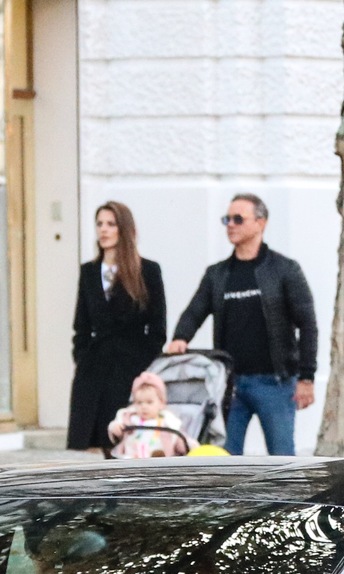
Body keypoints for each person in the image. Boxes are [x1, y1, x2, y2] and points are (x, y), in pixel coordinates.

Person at [165, 194, 318, 456]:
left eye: (238, 219)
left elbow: (308, 325)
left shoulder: (285, 269)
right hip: (228, 385)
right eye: (227, 219)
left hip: (276, 383)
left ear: (261, 223)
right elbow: (195, 311)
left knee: (282, 460)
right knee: (225, 458)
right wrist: (180, 337)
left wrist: (306, 377)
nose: (230, 225)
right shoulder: (218, 274)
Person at [67, 202, 168, 452]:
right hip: (93, 369)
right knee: (98, 442)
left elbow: (158, 328)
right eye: (99, 224)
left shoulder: (148, 271)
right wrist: (82, 357)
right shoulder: (89, 272)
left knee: (128, 441)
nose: (104, 230)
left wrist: (139, 365)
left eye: (111, 224)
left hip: (128, 369)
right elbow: (81, 325)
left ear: (124, 229)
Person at [107, 370, 189, 458]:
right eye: (139, 403)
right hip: (130, 460)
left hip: (160, 463)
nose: (144, 407)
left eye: (149, 402)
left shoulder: (169, 422)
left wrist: (192, 446)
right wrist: (115, 428)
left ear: (161, 403)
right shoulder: (130, 419)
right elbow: (116, 432)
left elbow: (183, 442)